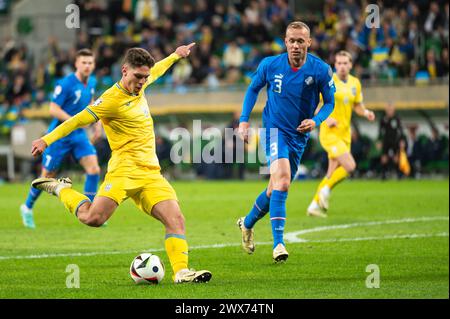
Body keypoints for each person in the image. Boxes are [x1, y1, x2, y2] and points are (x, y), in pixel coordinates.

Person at [30, 45, 212, 284]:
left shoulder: (143, 83)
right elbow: (76, 121)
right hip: (123, 171)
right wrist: (46, 139)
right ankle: (61, 189)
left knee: (176, 219)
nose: (142, 82)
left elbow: (157, 70)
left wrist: (176, 56)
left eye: (144, 77)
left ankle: (181, 272)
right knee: (94, 219)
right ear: (124, 70)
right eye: (138, 77)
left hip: (151, 174)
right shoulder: (110, 100)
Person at [236, 21, 336, 262]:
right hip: (273, 131)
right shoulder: (270, 65)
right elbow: (252, 89)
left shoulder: (320, 70)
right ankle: (279, 244)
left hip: (298, 137)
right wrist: (244, 120)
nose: (295, 46)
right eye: (291, 41)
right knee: (282, 182)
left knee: (274, 189)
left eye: (301, 41)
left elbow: (330, 102)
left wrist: (316, 120)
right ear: (285, 42)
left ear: (309, 43)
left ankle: (247, 223)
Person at [20, 49, 102, 229]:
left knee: (94, 169)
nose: (87, 66)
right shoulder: (65, 84)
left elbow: (91, 104)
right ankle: (27, 207)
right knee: (47, 176)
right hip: (59, 136)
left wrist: (97, 124)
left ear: (93, 65)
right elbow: (53, 109)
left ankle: (89, 211)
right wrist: (74, 122)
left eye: (90, 63)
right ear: (76, 64)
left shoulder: (93, 81)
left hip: (79, 135)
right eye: (84, 62)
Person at [307, 50, 376, 217]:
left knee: (333, 172)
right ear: (335, 65)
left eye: (345, 63)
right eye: (339, 63)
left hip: (345, 134)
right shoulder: (329, 81)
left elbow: (357, 105)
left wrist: (365, 112)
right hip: (329, 133)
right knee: (350, 166)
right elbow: (315, 104)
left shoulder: (355, 83)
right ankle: (325, 191)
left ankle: (314, 205)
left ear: (351, 65)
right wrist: (325, 118)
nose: (342, 66)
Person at [378, 102, 404, 179]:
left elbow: (401, 130)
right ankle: (384, 174)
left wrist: (402, 140)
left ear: (393, 110)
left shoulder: (397, 118)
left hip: (395, 141)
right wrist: (379, 140)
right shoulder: (383, 119)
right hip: (386, 141)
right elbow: (380, 131)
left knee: (396, 158)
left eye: (391, 109)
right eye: (388, 109)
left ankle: (398, 174)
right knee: (384, 158)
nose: (389, 111)